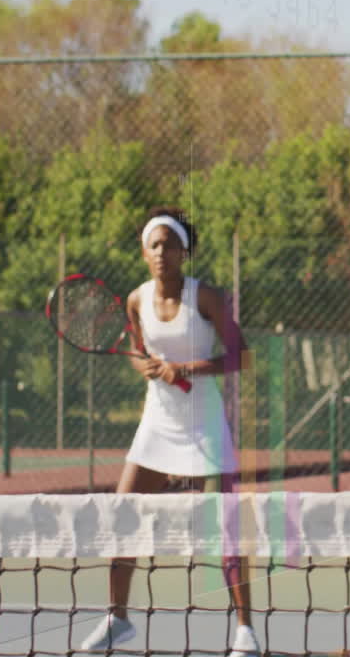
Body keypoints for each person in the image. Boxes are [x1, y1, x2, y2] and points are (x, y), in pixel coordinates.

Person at [80, 207, 259, 656]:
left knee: (228, 526)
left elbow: (243, 356)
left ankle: (245, 631)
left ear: (184, 252)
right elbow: (139, 352)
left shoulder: (207, 298)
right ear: (144, 253)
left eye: (170, 245)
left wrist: (187, 368)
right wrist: (145, 365)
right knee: (122, 514)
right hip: (158, 423)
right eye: (154, 245)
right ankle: (118, 619)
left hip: (205, 425)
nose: (162, 252)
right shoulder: (136, 300)